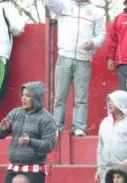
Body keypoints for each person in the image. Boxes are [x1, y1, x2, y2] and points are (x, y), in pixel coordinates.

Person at [43, 0, 105, 136]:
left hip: (84, 60)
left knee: (81, 98)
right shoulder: (64, 5)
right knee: (60, 96)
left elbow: (102, 35)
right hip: (64, 56)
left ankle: (79, 127)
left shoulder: (97, 11)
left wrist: (94, 42)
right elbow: (49, 2)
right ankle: (56, 127)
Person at [0, 83, 56, 183]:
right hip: (13, 168)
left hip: (34, 170)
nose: (24, 98)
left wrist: (30, 141)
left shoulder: (46, 119)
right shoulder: (15, 113)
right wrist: (2, 129)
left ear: (36, 98)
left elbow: (49, 145)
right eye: (22, 95)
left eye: (28, 96)